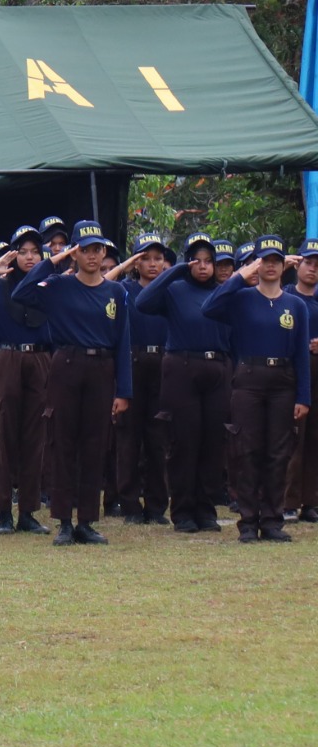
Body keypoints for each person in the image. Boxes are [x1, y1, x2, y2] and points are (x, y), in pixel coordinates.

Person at [10, 220, 133, 546]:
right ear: (74, 253)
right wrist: (54, 260)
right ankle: (64, 520)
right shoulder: (58, 286)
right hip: (66, 364)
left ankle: (87, 521)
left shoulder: (116, 292)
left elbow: (123, 341)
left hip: (102, 366)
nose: (92, 256)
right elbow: (21, 293)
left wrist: (124, 390)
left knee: (95, 445)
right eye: (85, 249)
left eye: (97, 250)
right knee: (62, 442)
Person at [202, 234, 311, 543]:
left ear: (285, 265)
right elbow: (210, 308)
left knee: (278, 452)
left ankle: (273, 519)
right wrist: (241, 275)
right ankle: (248, 520)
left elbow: (301, 354)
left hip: (283, 382)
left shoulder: (295, 305)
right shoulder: (241, 298)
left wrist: (303, 395)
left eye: (277, 260)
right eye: (265, 261)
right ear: (257, 265)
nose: (272, 266)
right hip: (248, 379)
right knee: (247, 450)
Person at [135, 232, 231, 534]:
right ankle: (183, 511)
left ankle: (206, 510)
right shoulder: (175, 290)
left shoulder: (223, 292)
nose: (202, 267)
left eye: (208, 261)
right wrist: (174, 269)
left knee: (212, 442)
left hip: (217, 368)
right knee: (183, 442)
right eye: (196, 261)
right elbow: (143, 302)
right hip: (181, 367)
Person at [0, 228, 51, 534]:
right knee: (3, 436)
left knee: (35, 438)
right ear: (12, 255)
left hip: (41, 358)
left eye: (35, 251)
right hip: (7, 357)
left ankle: (28, 512)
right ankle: (2, 511)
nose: (29, 257)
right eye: (23, 251)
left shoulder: (48, 284)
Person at [110, 234, 171, 524]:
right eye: (145, 258)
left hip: (162, 364)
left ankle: (157, 506)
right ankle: (131, 505)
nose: (152, 264)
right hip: (131, 362)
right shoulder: (123, 289)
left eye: (158, 258)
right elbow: (104, 282)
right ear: (135, 262)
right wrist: (125, 266)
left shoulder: (171, 291)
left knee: (157, 439)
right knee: (128, 438)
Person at [288, 240, 318, 524]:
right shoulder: (286, 297)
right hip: (292, 371)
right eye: (308, 262)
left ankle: (311, 501)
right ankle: (288, 499)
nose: (313, 269)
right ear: (297, 264)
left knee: (314, 440)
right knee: (291, 437)